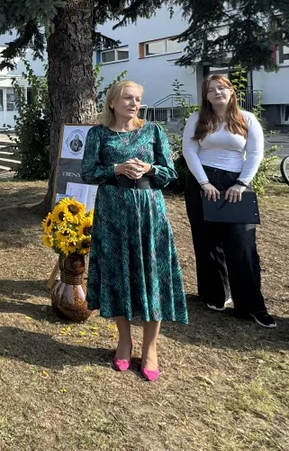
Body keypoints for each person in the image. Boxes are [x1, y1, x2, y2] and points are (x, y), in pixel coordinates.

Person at [81, 80, 188, 381]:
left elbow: (170, 173)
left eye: (138, 99)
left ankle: (150, 348)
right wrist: (116, 169)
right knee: (118, 274)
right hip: (113, 211)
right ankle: (124, 341)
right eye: (127, 98)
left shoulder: (153, 131)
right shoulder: (98, 134)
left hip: (148, 210)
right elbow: (87, 173)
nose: (134, 104)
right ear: (112, 102)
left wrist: (149, 169)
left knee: (152, 275)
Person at [181, 74, 275, 328]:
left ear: (231, 91)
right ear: (205, 96)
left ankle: (251, 306)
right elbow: (189, 150)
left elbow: (255, 153)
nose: (217, 93)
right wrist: (204, 183)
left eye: (222, 88)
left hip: (236, 184)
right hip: (202, 183)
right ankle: (215, 295)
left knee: (242, 244)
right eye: (211, 90)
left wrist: (241, 183)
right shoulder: (197, 119)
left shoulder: (247, 119)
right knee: (207, 242)